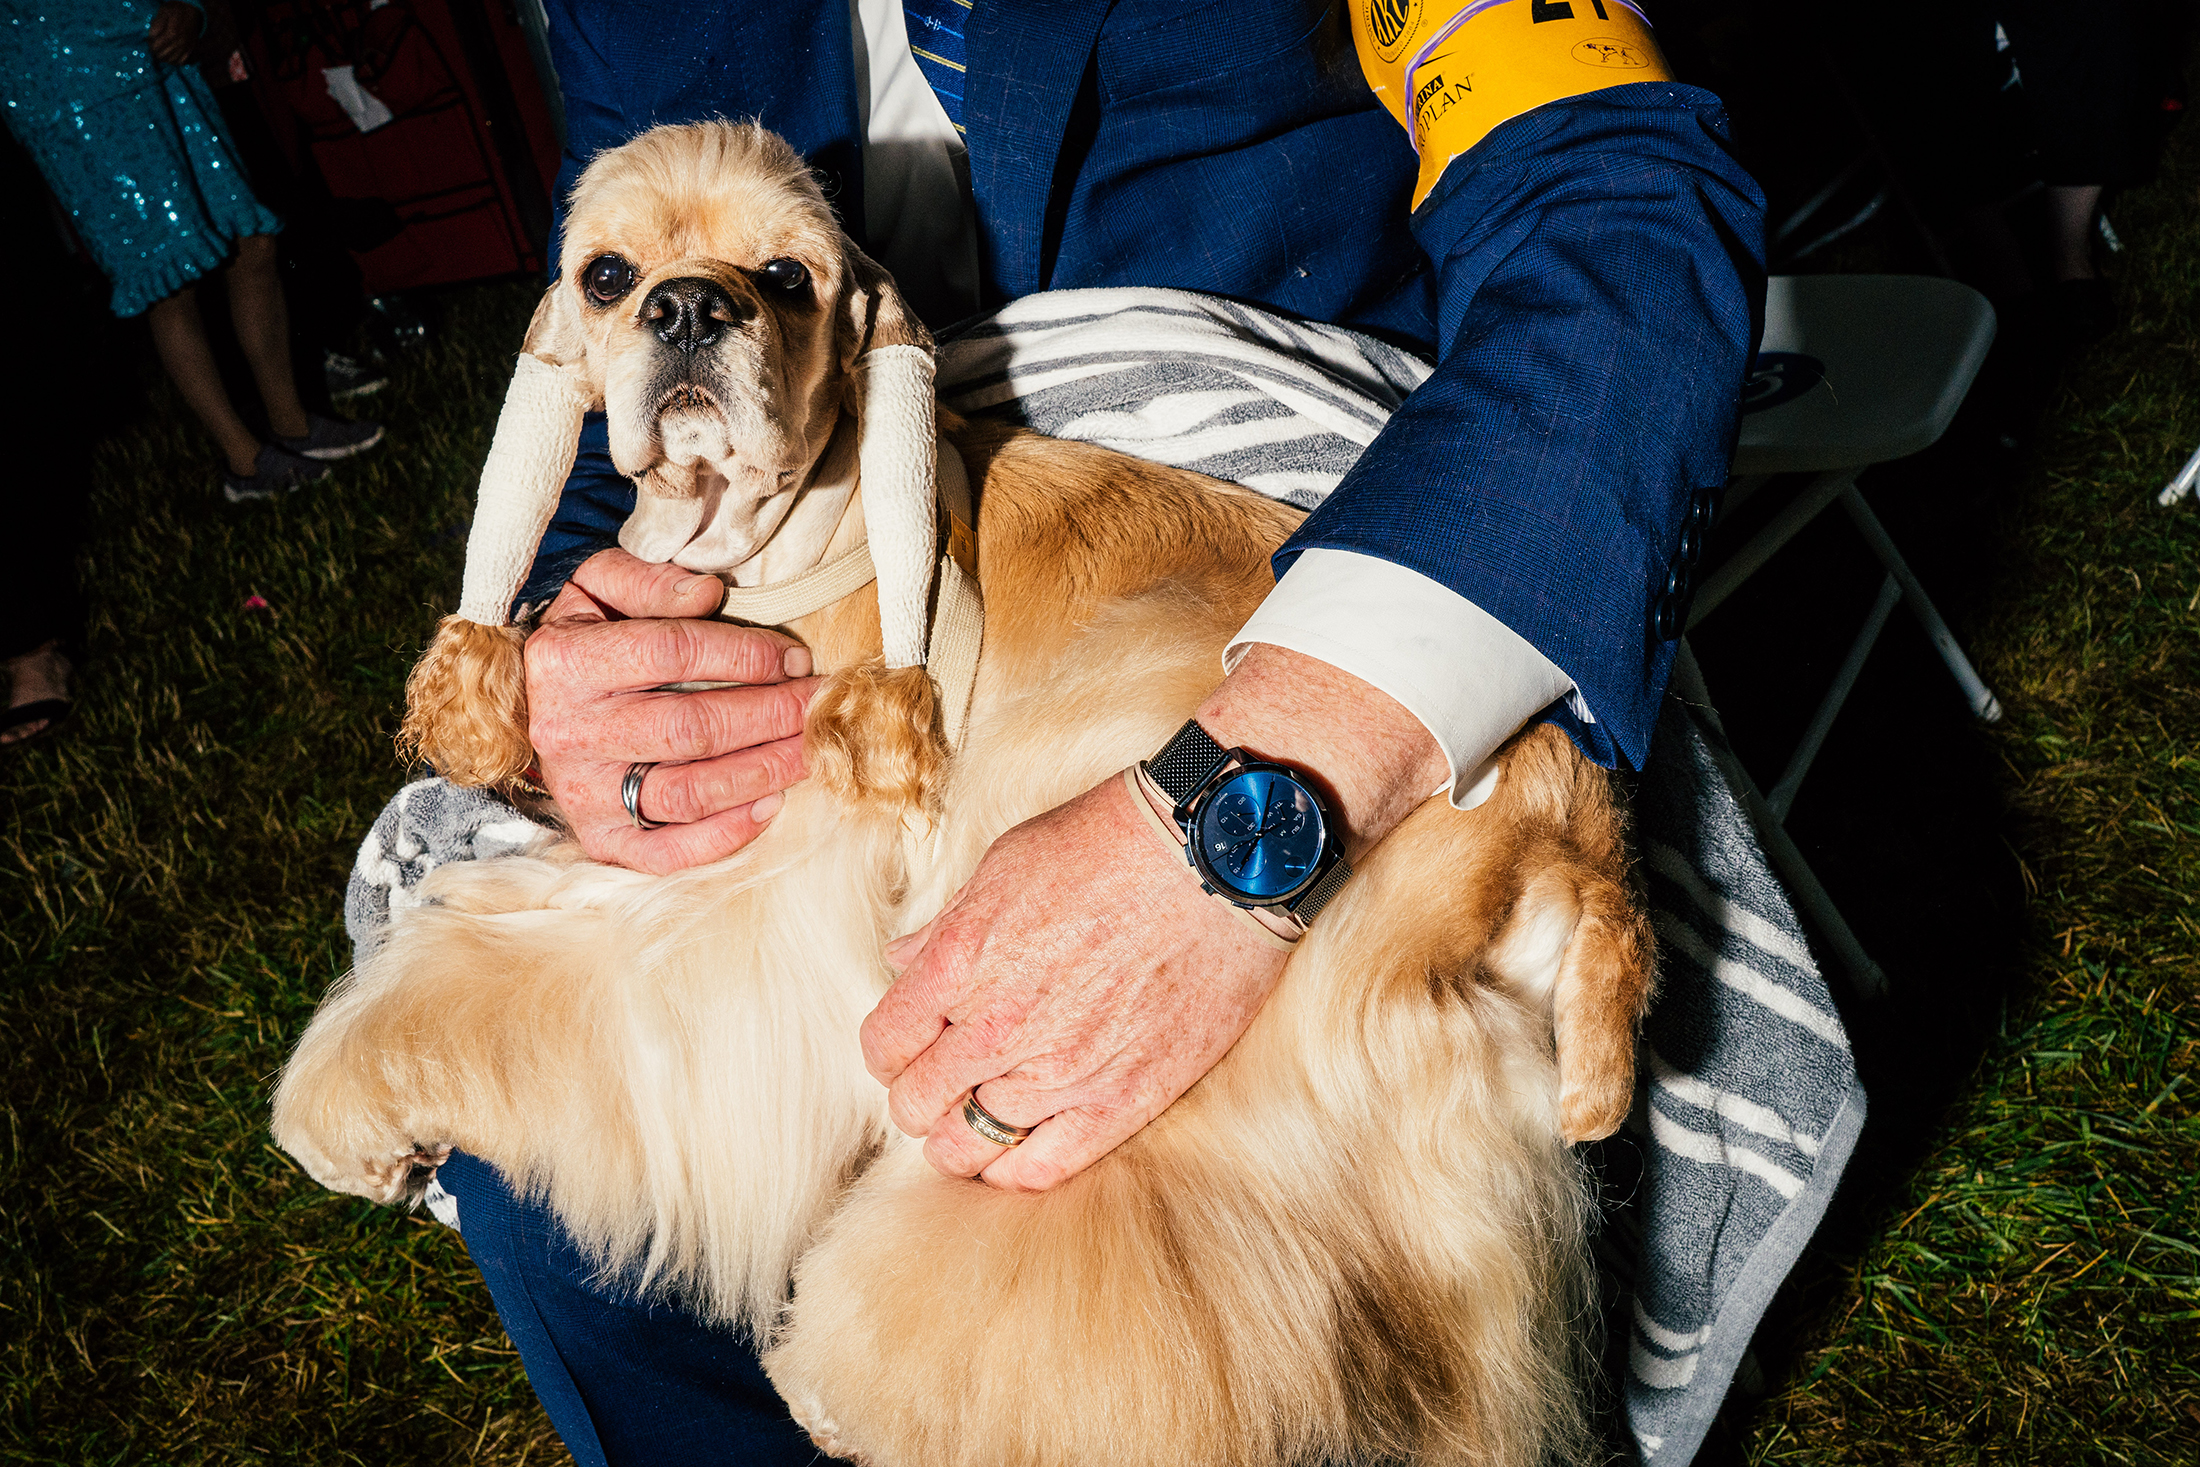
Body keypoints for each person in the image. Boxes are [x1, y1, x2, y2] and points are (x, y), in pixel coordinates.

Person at [411, 2, 1763, 1459]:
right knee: (536, 1180)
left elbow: (1615, 206)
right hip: (820, 633)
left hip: (1254, 582)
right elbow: (619, 362)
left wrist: (1256, 799)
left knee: (1125, 1274)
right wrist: (589, 650)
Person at [0, 0, 382, 502]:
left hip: (155, 48)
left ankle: (293, 425)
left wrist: (190, 8)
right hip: (67, 80)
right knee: (166, 276)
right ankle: (245, 463)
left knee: (251, 240)